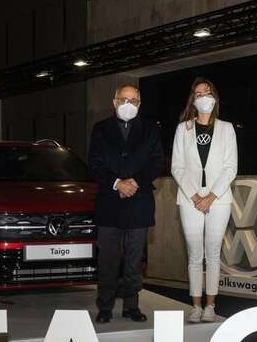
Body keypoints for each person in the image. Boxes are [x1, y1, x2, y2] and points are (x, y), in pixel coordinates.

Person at [88, 85, 165, 323]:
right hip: (109, 203)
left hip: (139, 203)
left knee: (134, 260)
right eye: (124, 100)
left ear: (139, 104)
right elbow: (95, 163)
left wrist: (135, 182)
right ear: (114, 102)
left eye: (134, 101)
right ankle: (105, 306)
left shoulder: (150, 129)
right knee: (108, 260)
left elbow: (157, 162)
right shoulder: (100, 129)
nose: (128, 104)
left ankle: (132, 306)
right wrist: (117, 183)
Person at [171, 78, 238, 323]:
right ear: (193, 99)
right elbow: (177, 167)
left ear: (214, 97)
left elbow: (231, 168)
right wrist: (195, 196)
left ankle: (211, 305)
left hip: (218, 200)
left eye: (207, 92)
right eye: (198, 94)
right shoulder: (183, 129)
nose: (203, 97)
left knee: (213, 253)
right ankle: (196, 306)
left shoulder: (226, 128)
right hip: (189, 199)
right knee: (194, 254)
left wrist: (210, 197)